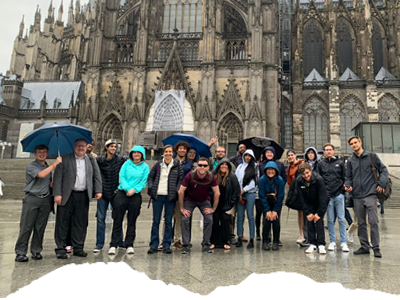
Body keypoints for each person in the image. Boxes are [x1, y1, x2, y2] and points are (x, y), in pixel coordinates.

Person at [53, 139, 102, 259]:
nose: (81, 148)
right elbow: (58, 177)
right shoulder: (65, 158)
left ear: (87, 147)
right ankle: (61, 247)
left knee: (81, 222)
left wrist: (98, 190)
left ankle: (78, 247)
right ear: (74, 147)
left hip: (83, 194)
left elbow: (97, 174)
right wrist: (57, 194)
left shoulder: (90, 159)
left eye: (83, 146)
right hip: (67, 195)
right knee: (63, 222)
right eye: (78, 146)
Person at [14, 145, 62, 262]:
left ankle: (36, 250)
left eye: (44, 152)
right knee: (26, 226)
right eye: (39, 152)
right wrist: (55, 164)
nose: (42, 154)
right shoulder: (32, 166)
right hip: (32, 199)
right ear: (35, 154)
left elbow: (47, 180)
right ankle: (20, 252)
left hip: (45, 199)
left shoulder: (47, 166)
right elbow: (41, 175)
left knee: (40, 227)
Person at [344, 136, 388, 258]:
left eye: (355, 142)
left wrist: (381, 183)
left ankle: (376, 247)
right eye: (351, 144)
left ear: (360, 142)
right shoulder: (351, 160)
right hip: (357, 195)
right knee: (361, 222)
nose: (354, 145)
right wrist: (348, 185)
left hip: (370, 193)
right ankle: (364, 246)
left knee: (373, 221)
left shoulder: (371, 156)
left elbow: (383, 170)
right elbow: (348, 177)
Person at [108, 145, 149, 255]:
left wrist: (134, 190)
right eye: (134, 152)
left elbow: (143, 182)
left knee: (132, 221)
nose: (136, 154)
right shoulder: (126, 164)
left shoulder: (145, 167)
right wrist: (127, 189)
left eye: (138, 152)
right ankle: (114, 244)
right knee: (117, 219)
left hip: (135, 194)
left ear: (142, 155)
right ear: (131, 154)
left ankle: (129, 244)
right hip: (122, 192)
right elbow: (121, 177)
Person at [178, 157, 220, 254]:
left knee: (209, 219)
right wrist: (182, 208)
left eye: (204, 166)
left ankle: (206, 244)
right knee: (185, 219)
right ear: (197, 166)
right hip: (190, 200)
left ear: (208, 167)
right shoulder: (190, 175)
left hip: (204, 200)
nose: (202, 167)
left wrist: (213, 209)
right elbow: (181, 191)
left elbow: (217, 193)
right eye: (200, 165)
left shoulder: (211, 176)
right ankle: (186, 245)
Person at [147, 145, 183, 254]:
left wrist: (176, 190)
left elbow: (180, 179)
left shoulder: (177, 165)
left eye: (170, 152)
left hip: (170, 197)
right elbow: (150, 177)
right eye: (166, 151)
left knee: (168, 221)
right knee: (156, 221)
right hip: (158, 196)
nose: (168, 153)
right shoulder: (158, 164)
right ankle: (153, 245)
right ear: (163, 153)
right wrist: (152, 187)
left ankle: (166, 244)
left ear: (173, 153)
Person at [93, 139, 126, 253]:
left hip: (116, 192)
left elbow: (132, 160)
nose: (113, 148)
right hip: (103, 192)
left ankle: (120, 242)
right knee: (100, 219)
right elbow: (90, 160)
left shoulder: (120, 159)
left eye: (114, 146)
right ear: (106, 147)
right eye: (111, 146)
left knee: (117, 218)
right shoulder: (100, 160)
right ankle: (99, 244)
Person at [318, 143, 349, 252]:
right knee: (330, 219)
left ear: (333, 151)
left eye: (330, 149)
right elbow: (319, 179)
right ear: (324, 152)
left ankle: (344, 242)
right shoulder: (321, 164)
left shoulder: (340, 163)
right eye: (326, 150)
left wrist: (342, 190)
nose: (328, 151)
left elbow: (344, 177)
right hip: (327, 195)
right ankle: (332, 241)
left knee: (341, 218)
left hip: (339, 194)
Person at [256, 146, 287, 242]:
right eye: (267, 152)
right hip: (265, 193)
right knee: (266, 217)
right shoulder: (261, 165)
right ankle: (267, 237)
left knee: (276, 217)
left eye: (271, 152)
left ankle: (276, 239)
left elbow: (284, 178)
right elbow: (260, 179)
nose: (269, 154)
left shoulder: (280, 165)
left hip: (276, 193)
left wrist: (278, 187)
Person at [296, 163, 328, 254]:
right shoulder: (299, 181)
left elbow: (323, 197)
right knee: (309, 222)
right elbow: (301, 198)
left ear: (310, 171)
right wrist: (308, 212)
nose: (306, 176)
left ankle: (321, 244)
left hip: (319, 202)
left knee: (319, 221)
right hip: (308, 202)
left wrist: (319, 213)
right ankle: (312, 243)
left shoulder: (318, 179)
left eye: (307, 173)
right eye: (303, 174)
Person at [210, 158, 240, 250]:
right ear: (219, 166)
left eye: (226, 165)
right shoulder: (213, 176)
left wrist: (230, 204)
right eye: (222, 165)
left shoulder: (232, 176)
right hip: (215, 203)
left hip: (227, 204)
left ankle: (225, 242)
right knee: (214, 221)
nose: (224, 166)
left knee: (225, 220)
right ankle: (214, 241)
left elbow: (236, 192)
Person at [259, 161, 285, 251]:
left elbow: (281, 195)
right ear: (266, 170)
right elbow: (261, 195)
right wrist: (267, 210)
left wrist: (275, 210)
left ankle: (276, 241)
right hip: (265, 201)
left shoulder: (280, 180)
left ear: (276, 170)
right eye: (269, 169)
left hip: (276, 201)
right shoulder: (262, 179)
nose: (270, 171)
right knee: (266, 220)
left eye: (272, 169)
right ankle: (265, 241)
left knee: (275, 220)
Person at [171, 141, 193, 249]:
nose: (182, 150)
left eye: (184, 149)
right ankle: (164, 240)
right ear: (176, 150)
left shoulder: (189, 164)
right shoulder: (170, 161)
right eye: (180, 148)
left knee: (179, 218)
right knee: (167, 217)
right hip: (170, 193)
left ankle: (176, 239)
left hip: (183, 194)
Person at [235, 149, 258, 249]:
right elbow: (236, 180)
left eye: (249, 156)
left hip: (249, 193)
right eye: (246, 155)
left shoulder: (255, 167)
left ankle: (252, 239)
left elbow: (254, 182)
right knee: (239, 216)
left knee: (250, 216)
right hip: (240, 194)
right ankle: (239, 237)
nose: (247, 157)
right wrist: (238, 191)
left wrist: (243, 190)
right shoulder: (240, 167)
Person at [286, 150, 307, 246]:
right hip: (297, 192)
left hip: (304, 191)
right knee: (300, 214)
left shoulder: (302, 164)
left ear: (295, 155)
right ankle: (302, 235)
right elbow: (289, 182)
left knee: (307, 213)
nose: (290, 157)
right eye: (288, 156)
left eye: (291, 155)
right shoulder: (289, 169)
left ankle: (308, 235)